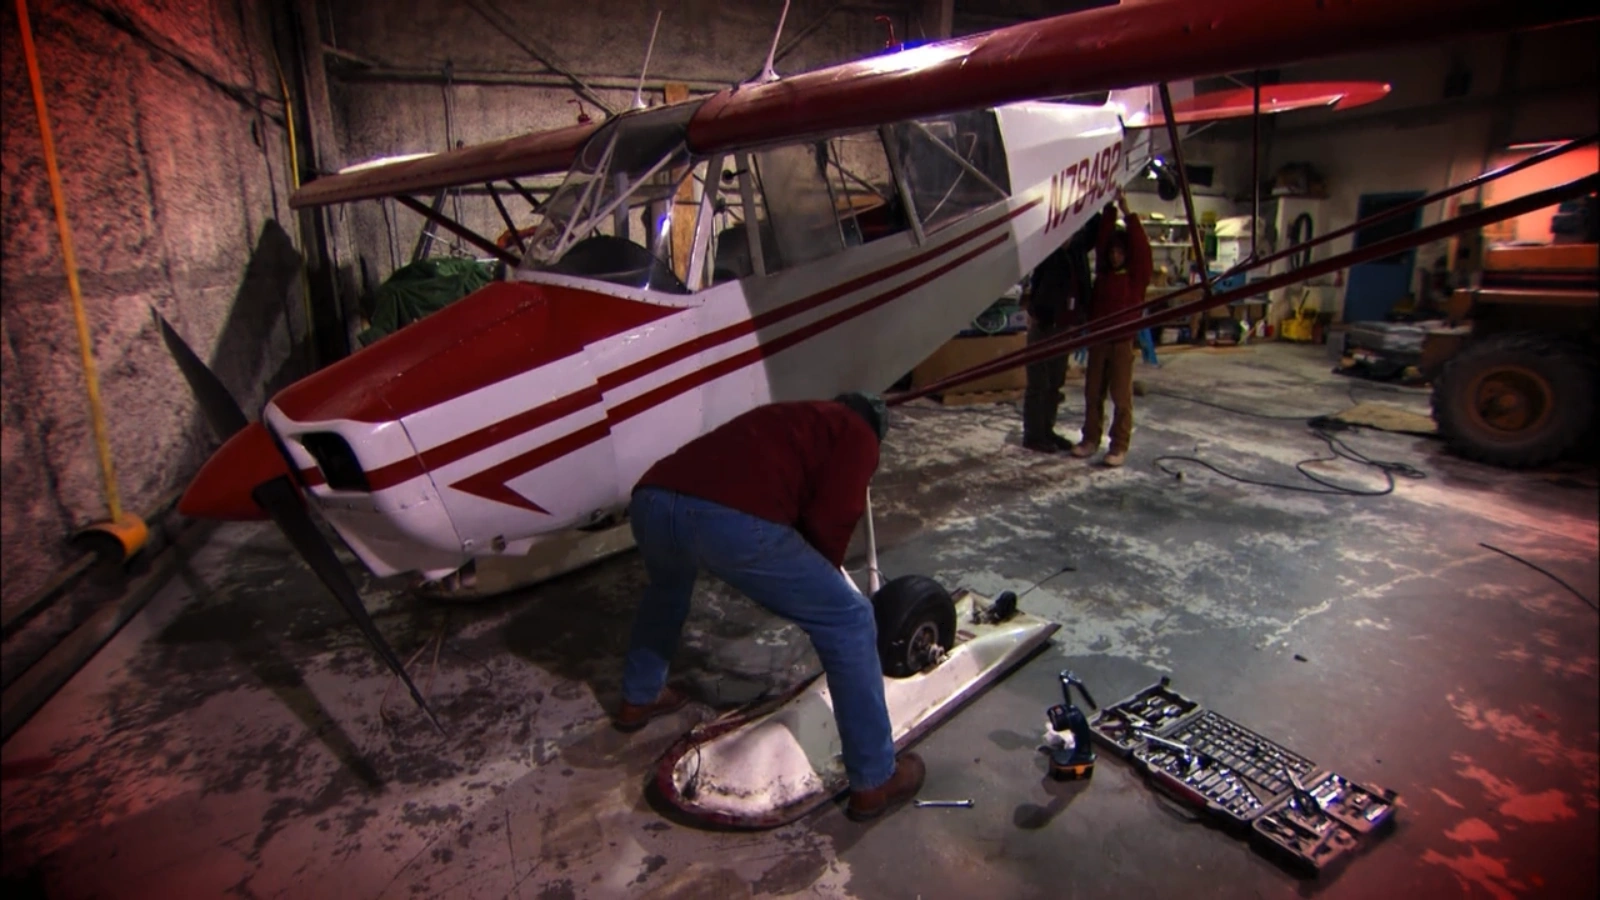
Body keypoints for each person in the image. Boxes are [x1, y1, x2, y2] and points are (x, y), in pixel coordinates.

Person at [613, 392, 926, 821]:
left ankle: (639, 697)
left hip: (652, 501)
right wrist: (822, 580)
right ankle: (874, 780)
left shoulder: (792, 416)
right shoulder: (858, 431)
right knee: (849, 620)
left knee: (667, 587)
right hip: (726, 519)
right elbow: (834, 516)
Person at [1071, 191, 1152, 467]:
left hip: (1121, 343)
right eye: (1113, 252)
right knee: (1093, 393)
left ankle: (1118, 445)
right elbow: (1104, 238)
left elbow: (1141, 249)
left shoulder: (1135, 277)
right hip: (1099, 342)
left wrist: (1127, 212)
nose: (1116, 256)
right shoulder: (1104, 275)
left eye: (1120, 252)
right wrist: (1107, 207)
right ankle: (1090, 439)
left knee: (1121, 397)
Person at [1022, 213, 1099, 453]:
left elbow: (1094, 230)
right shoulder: (1048, 249)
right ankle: (1034, 435)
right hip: (1044, 324)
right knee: (1039, 382)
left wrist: (1103, 204)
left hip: (1064, 327)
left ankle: (1047, 429)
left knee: (1055, 382)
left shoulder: (1077, 250)